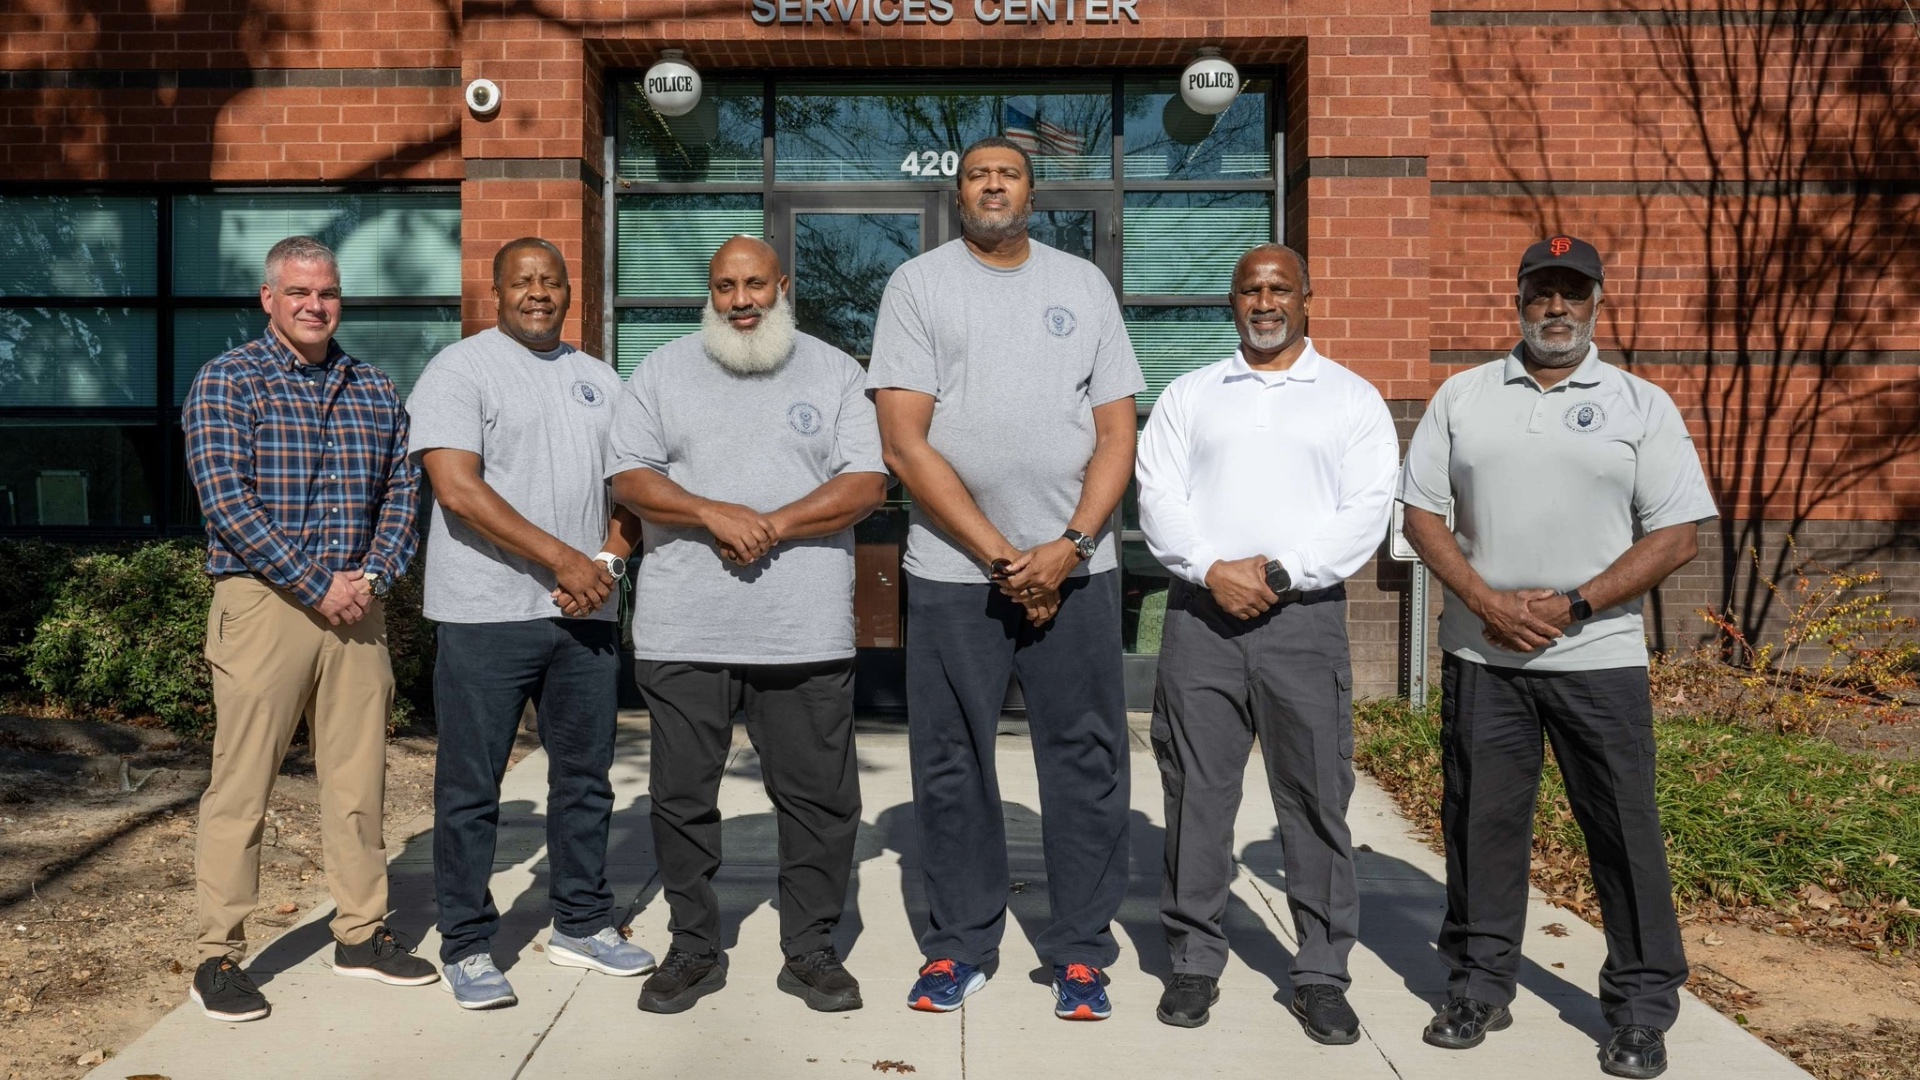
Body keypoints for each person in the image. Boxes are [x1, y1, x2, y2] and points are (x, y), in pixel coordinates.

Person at [1399, 235, 1716, 1079]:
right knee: (1479, 829)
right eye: (1543, 291)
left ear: (1597, 303)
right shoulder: (1464, 397)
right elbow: (1422, 514)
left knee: (1623, 835)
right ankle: (1477, 986)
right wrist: (1484, 600)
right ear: (1519, 299)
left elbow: (1678, 534)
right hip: (1484, 658)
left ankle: (1643, 1010)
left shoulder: (1640, 405)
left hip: (1600, 660)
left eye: (1574, 293)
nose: (1557, 308)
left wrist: (1576, 603)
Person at [870, 135, 1145, 1021]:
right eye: (978, 174)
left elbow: (1116, 433)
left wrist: (1069, 543)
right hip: (955, 575)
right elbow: (903, 442)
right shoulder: (918, 287)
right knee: (951, 764)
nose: (993, 185)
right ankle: (958, 946)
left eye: (1009, 174)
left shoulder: (1082, 286)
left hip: (1079, 570)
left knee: (1088, 759)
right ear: (960, 192)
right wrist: (1000, 554)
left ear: (1033, 191)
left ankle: (1079, 955)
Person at [608, 236, 888, 1015]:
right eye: (726, 286)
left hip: (801, 630)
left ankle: (812, 950)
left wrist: (772, 523)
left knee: (820, 802)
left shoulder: (835, 372)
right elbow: (629, 476)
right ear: (710, 291)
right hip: (685, 629)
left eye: (755, 284)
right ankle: (694, 947)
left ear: (782, 285)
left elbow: (866, 481)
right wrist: (710, 513)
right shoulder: (662, 371)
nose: (741, 301)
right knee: (681, 800)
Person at [1134, 244, 1399, 1041]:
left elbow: (1365, 509)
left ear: (1308, 299)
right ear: (1232, 302)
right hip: (1200, 620)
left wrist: (1278, 576)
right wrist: (1212, 568)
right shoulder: (1192, 394)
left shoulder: (1351, 399)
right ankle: (1192, 961)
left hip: (1303, 622)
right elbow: (1159, 497)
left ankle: (1320, 971)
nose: (1265, 301)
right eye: (1250, 289)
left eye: (1281, 287)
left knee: (1314, 799)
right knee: (1196, 798)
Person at [182, 235, 436, 1022]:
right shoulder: (227, 381)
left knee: (359, 782)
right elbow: (225, 499)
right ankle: (219, 953)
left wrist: (373, 577)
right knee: (243, 783)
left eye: (325, 293)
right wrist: (312, 581)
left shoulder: (373, 389)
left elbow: (404, 493)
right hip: (262, 603)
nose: (314, 306)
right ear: (268, 299)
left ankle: (361, 934)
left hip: (357, 606)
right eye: (297, 293)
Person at [407, 237, 654, 1010]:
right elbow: (458, 491)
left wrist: (606, 564)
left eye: (551, 281)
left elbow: (635, 488)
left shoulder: (599, 380)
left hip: (585, 616)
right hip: (486, 617)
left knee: (584, 783)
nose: (538, 293)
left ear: (569, 291)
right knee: (471, 788)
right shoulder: (460, 370)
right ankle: (468, 943)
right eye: (523, 281)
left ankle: (582, 923)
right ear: (495, 290)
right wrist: (563, 562)